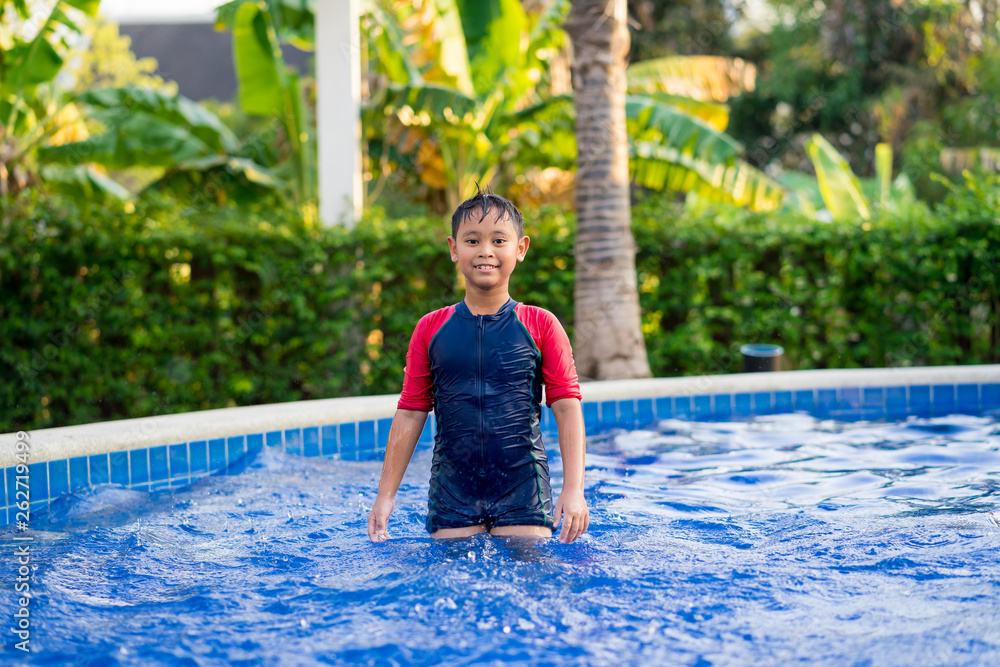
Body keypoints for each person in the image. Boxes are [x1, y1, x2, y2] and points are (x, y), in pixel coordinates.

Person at [367, 187, 589, 544]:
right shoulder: (430, 328)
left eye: (499, 240)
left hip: (523, 489)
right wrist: (385, 496)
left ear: (521, 249)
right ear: (454, 249)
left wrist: (573, 490)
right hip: (453, 492)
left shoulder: (541, 324)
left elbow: (566, 406)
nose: (486, 250)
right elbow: (411, 411)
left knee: (530, 582)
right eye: (472, 240)